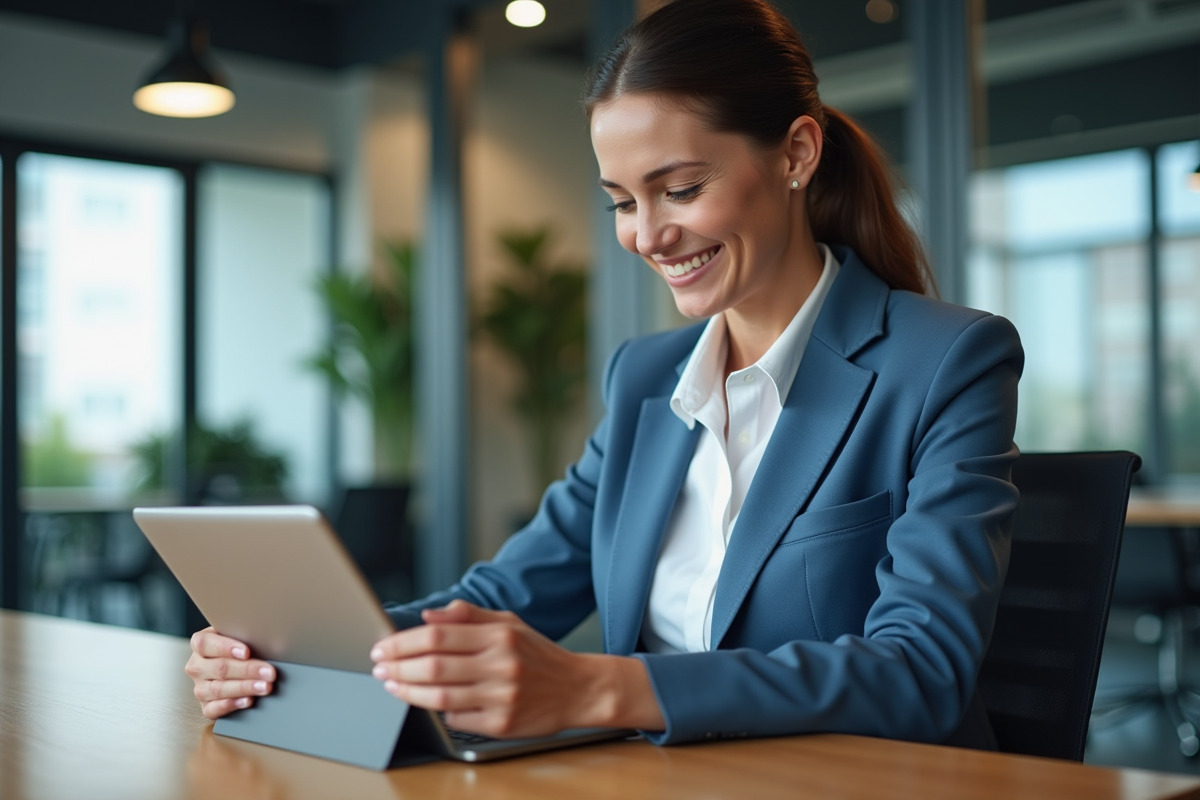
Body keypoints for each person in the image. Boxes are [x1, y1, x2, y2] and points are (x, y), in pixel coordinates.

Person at [185, 0, 1023, 750]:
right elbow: (508, 593)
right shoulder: (644, 379)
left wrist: (598, 686)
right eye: (623, 201)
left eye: (681, 188)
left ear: (797, 153)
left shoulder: (946, 361)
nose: (649, 236)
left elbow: (921, 669)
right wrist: (296, 652)